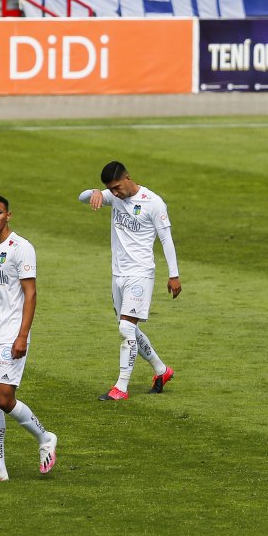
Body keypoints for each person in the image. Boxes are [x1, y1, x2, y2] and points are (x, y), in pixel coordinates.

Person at [0, 195, 57, 483]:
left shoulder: (22, 248)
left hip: (11, 336)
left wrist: (22, 335)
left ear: (9, 215)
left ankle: (45, 437)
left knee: (5, 397)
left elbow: (30, 294)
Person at [79, 161, 181, 401]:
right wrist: (94, 192)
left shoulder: (153, 203)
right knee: (130, 329)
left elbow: (167, 240)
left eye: (116, 187)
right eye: (110, 190)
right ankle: (161, 370)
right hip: (118, 275)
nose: (114, 193)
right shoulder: (114, 197)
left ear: (127, 178)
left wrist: (174, 275)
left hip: (140, 273)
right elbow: (82, 197)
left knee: (126, 328)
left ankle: (121, 388)